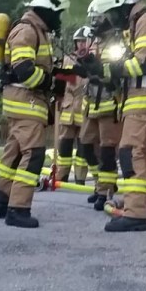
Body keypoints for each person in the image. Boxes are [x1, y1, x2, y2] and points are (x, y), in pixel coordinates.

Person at [84, 0, 146, 232]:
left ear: (121, 7)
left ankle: (135, 213)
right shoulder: (136, 23)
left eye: (111, 14)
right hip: (135, 96)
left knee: (130, 152)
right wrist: (99, 69)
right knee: (138, 152)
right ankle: (141, 207)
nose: (111, 20)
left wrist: (110, 69)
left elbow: (143, 63)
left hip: (143, 96)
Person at [0, 0, 69, 228]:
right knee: (33, 155)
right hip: (27, 103)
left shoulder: (37, 31)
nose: (59, 19)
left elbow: (37, 66)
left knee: (13, 154)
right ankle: (18, 209)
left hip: (22, 102)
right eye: (58, 14)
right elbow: (24, 70)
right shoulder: (27, 30)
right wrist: (51, 83)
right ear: (47, 10)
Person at [75, 23, 124, 212]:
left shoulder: (117, 45)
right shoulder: (94, 44)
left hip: (109, 106)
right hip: (91, 107)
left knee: (107, 151)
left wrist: (98, 69)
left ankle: (105, 191)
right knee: (86, 146)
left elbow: (116, 75)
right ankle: (99, 184)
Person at [54, 26, 93, 184]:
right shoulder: (68, 59)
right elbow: (61, 81)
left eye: (84, 41)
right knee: (64, 144)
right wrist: (57, 97)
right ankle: (61, 176)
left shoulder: (95, 60)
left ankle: (80, 179)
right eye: (79, 42)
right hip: (68, 107)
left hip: (84, 108)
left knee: (83, 146)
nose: (81, 44)